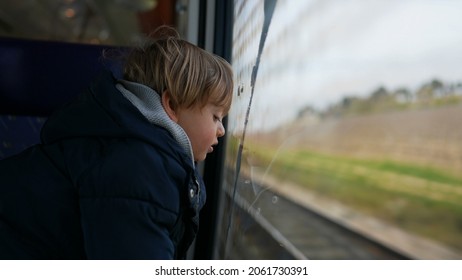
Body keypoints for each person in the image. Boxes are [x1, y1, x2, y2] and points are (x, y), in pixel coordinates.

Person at [0, 26, 233, 259]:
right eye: (215, 116)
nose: (222, 130)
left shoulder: (136, 150)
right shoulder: (141, 170)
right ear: (171, 105)